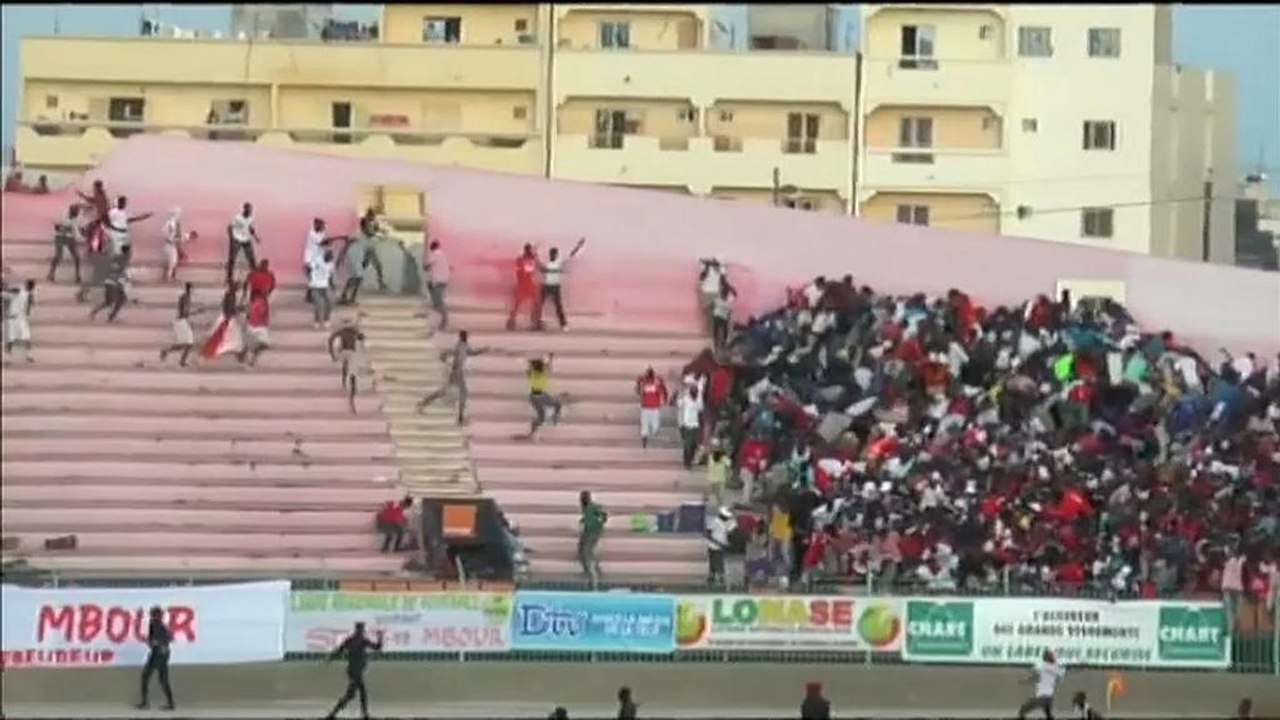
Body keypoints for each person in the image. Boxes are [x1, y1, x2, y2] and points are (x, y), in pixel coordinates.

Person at [416, 330, 487, 425]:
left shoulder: (464, 345)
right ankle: (460, 418)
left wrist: (482, 350)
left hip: (456, 372)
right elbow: (453, 352)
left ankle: (423, 403)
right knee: (463, 393)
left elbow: (471, 352)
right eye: (465, 336)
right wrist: (444, 356)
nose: (466, 337)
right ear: (462, 337)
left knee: (444, 391)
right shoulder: (459, 346)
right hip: (458, 372)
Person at [324, 622, 384, 720]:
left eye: (362, 630)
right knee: (356, 693)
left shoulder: (353, 640)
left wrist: (331, 658)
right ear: (359, 630)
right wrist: (380, 638)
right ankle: (362, 714)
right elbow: (377, 647)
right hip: (355, 672)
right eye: (361, 629)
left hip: (354, 671)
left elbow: (339, 650)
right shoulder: (360, 640)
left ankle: (334, 713)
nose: (362, 631)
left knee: (355, 694)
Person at [536, 238, 586, 332]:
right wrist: (536, 250)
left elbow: (572, 256)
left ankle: (563, 324)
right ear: (551, 255)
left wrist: (578, 246)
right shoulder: (547, 263)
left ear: (556, 255)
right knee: (540, 306)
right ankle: (538, 323)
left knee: (558, 307)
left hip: (554, 287)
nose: (554, 256)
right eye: (553, 254)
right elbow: (538, 264)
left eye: (555, 255)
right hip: (546, 286)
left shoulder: (558, 263)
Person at [136, 606, 176, 711]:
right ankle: (169, 703)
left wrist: (155, 643)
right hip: (160, 653)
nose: (152, 616)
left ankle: (146, 703)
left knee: (150, 678)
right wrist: (151, 642)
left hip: (159, 654)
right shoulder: (157, 624)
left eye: (153, 614)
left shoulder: (157, 624)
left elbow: (164, 639)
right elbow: (167, 639)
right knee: (159, 679)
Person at [329, 319, 367, 414]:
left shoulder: (348, 331)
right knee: (351, 372)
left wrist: (333, 354)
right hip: (347, 353)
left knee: (351, 371)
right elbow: (362, 338)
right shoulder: (351, 332)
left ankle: (348, 385)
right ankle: (349, 386)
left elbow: (331, 340)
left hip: (347, 353)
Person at [200, 280, 244, 363]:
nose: (238, 288)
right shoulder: (231, 295)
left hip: (227, 318)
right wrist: (237, 311)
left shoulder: (229, 294)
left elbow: (228, 307)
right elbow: (229, 308)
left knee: (233, 340)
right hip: (227, 319)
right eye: (237, 286)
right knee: (234, 340)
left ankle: (240, 357)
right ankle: (240, 357)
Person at [159, 283, 200, 367]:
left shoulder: (185, 297)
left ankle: (169, 352)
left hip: (182, 321)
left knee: (186, 344)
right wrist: (196, 312)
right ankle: (179, 359)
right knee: (188, 344)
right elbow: (184, 313)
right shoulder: (185, 298)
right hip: (181, 321)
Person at [1018, 650, 1065, 720]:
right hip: (1050, 696)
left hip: (1041, 695)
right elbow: (1060, 678)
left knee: (1023, 710)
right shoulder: (1056, 667)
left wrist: (1025, 681)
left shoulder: (1041, 665)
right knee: (1048, 711)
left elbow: (1034, 676)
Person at [526, 354, 564, 439]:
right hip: (538, 395)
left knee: (542, 415)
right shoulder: (537, 372)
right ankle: (553, 419)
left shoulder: (534, 372)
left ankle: (532, 432)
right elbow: (547, 366)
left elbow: (546, 366)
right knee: (552, 408)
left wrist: (550, 359)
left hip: (536, 395)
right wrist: (550, 359)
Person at [88, 251, 130, 323]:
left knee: (112, 301)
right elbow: (118, 275)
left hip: (113, 283)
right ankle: (111, 316)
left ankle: (95, 313)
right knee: (116, 300)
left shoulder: (118, 263)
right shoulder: (119, 264)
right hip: (113, 284)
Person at [506, 243, 540, 331]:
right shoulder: (523, 260)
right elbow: (528, 268)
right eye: (529, 250)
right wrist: (533, 257)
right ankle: (512, 321)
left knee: (532, 304)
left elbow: (531, 267)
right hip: (524, 285)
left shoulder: (524, 259)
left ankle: (534, 322)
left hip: (526, 284)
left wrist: (534, 257)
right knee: (520, 305)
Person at [578, 490, 607, 586]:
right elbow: (587, 517)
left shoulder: (593, 506)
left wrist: (599, 522)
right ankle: (591, 569)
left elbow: (603, 515)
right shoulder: (585, 508)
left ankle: (593, 572)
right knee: (582, 549)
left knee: (587, 551)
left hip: (593, 532)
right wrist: (583, 521)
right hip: (587, 531)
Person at [47, 204, 82, 283]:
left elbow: (78, 229)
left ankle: (77, 275)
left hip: (71, 238)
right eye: (76, 211)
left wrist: (80, 233)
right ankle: (51, 273)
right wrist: (63, 228)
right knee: (58, 256)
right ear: (71, 211)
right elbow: (56, 227)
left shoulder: (77, 219)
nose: (77, 213)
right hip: (60, 237)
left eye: (77, 212)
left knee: (77, 257)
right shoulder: (63, 216)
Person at [226, 201, 259, 283]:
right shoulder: (237, 218)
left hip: (246, 239)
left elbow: (250, 228)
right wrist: (231, 239)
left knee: (251, 257)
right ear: (244, 209)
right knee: (232, 258)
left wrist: (256, 237)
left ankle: (256, 275)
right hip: (237, 239)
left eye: (250, 210)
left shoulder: (250, 218)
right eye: (248, 210)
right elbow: (230, 227)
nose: (249, 212)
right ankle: (229, 276)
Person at [635, 367, 669, 449]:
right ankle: (644, 439)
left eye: (650, 374)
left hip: (654, 408)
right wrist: (639, 384)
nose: (649, 377)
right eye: (648, 374)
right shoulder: (643, 382)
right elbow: (638, 391)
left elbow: (664, 391)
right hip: (645, 407)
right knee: (644, 425)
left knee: (655, 426)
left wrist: (664, 399)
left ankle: (653, 432)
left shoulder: (657, 382)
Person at [422, 239, 451, 331]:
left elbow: (426, 266)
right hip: (444, 280)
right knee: (437, 301)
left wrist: (425, 265)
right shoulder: (443, 255)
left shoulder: (435, 255)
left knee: (438, 302)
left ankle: (444, 320)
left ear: (431, 248)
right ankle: (440, 319)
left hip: (438, 281)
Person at [4, 279, 35, 364]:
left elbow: (29, 306)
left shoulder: (26, 294)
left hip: (20, 319)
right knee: (11, 340)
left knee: (26, 338)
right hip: (14, 319)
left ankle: (28, 355)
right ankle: (8, 358)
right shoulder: (14, 293)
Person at [75, 179, 110, 254]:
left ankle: (91, 248)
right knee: (97, 232)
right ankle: (97, 248)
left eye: (94, 187)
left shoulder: (99, 194)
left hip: (100, 217)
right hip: (101, 217)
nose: (93, 188)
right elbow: (95, 202)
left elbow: (94, 201)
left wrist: (82, 195)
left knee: (90, 231)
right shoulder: (101, 194)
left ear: (97, 187)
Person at [675, 381, 703, 469]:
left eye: (696, 391)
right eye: (693, 390)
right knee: (688, 444)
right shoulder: (685, 399)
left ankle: (690, 459)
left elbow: (701, 408)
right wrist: (680, 393)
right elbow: (679, 404)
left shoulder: (698, 399)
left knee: (694, 444)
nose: (694, 392)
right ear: (690, 391)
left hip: (695, 425)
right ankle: (687, 462)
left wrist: (699, 396)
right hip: (686, 425)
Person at [707, 506, 736, 587]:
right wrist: (719, 543)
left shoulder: (724, 523)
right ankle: (717, 580)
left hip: (721, 547)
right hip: (714, 547)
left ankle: (713, 580)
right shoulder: (715, 521)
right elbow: (708, 534)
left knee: (716, 565)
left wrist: (726, 543)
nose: (727, 518)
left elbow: (726, 533)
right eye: (726, 517)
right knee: (717, 565)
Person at [309, 250, 337, 329]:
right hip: (316, 286)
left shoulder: (331, 264)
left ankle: (326, 319)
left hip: (325, 286)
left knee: (329, 303)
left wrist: (333, 285)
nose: (329, 260)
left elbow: (331, 275)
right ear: (324, 256)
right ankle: (317, 321)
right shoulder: (317, 261)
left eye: (330, 258)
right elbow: (309, 268)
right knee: (318, 305)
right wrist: (311, 279)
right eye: (328, 257)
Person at [161, 207, 190, 283]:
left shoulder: (175, 223)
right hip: (170, 244)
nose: (179, 215)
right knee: (172, 262)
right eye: (178, 213)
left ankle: (170, 277)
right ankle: (169, 278)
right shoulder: (170, 223)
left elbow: (178, 234)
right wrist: (172, 238)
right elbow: (166, 233)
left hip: (172, 244)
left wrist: (182, 237)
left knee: (173, 262)